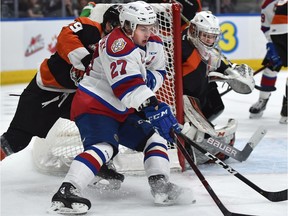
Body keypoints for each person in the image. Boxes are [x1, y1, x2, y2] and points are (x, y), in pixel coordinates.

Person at [49, 1, 194, 214]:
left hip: (122, 108)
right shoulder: (116, 45)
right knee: (105, 147)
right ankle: (66, 192)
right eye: (142, 28)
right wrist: (153, 105)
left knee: (154, 137)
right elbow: (127, 88)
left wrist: (149, 95)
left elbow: (159, 71)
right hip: (94, 105)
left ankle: (160, 187)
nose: (149, 33)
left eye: (150, 27)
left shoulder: (153, 41)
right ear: (127, 25)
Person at [0, 4, 124, 184]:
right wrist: (86, 60)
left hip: (76, 95)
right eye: (116, 26)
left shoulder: (121, 48)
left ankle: (101, 163)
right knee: (17, 140)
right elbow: (66, 35)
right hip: (46, 91)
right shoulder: (89, 28)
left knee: (101, 121)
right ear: (107, 24)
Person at [181, 11, 255, 164]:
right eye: (206, 36)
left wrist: (232, 72)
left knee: (216, 105)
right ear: (194, 31)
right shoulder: (181, 48)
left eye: (212, 37)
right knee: (193, 128)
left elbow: (218, 61)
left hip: (198, 92)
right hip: (184, 98)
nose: (209, 40)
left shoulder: (203, 46)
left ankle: (200, 138)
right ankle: (195, 142)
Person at [249, 0, 287, 124]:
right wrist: (271, 43)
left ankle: (286, 108)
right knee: (270, 68)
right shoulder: (269, 3)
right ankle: (263, 100)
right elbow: (265, 26)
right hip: (280, 37)